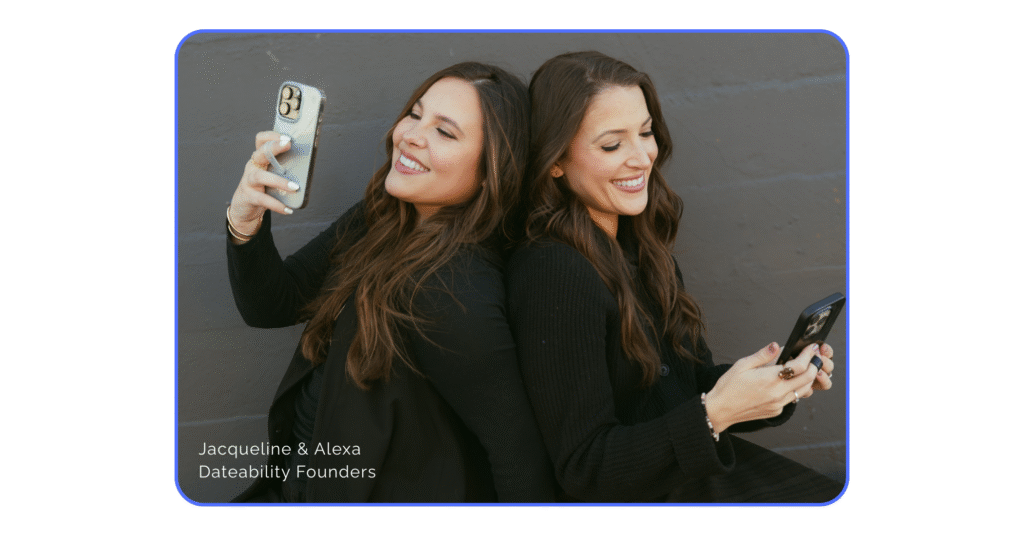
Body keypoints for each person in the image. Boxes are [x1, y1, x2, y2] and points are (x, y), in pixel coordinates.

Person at [505, 51, 844, 503]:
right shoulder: (554, 272)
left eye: (645, 133)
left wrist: (774, 384)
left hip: (693, 481)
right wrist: (714, 414)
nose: (642, 157)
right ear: (555, 161)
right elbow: (585, 467)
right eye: (612, 145)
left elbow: (685, 389)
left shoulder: (642, 248)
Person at [225, 62, 555, 503]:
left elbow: (519, 458)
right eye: (415, 114)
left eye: (445, 132)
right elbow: (273, 305)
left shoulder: (455, 289)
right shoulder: (384, 216)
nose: (412, 135)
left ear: (491, 171)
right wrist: (245, 221)